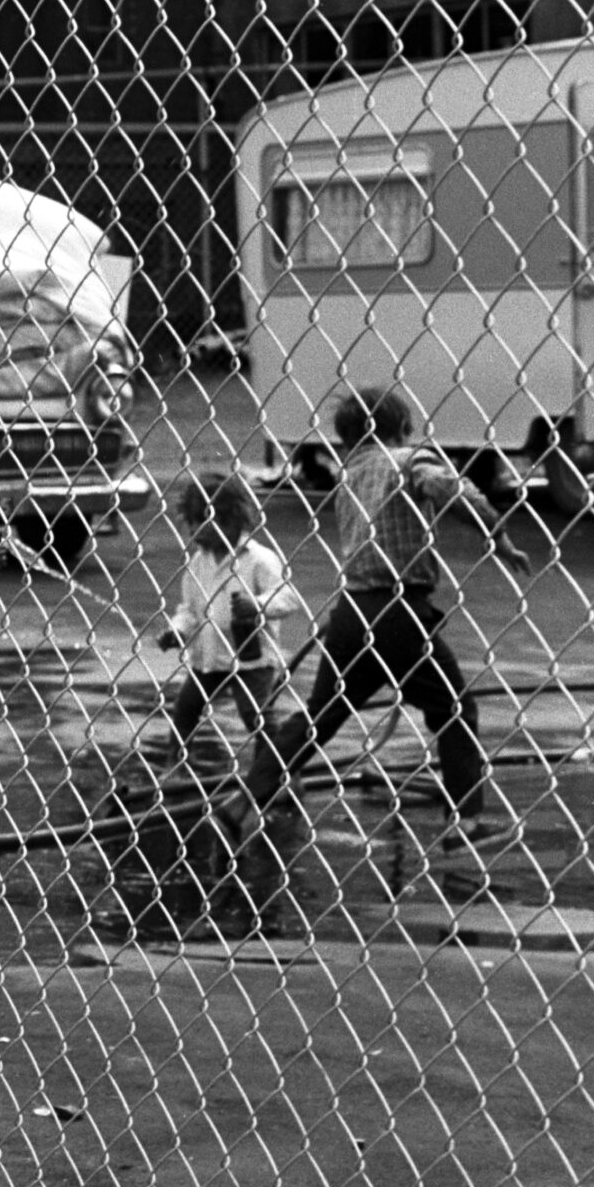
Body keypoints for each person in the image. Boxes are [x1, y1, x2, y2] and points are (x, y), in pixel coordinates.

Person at [235, 385, 529, 931]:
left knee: (321, 715)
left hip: (351, 612)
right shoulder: (407, 459)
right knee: (455, 708)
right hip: (398, 610)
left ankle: (248, 795)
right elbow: (452, 488)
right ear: (401, 427)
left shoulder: (349, 472)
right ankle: (466, 819)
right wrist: (500, 533)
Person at [157, 473, 303, 766]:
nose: (195, 530)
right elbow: (188, 609)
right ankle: (179, 762)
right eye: (192, 522)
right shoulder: (197, 563)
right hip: (209, 657)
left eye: (205, 520)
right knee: (185, 708)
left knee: (255, 715)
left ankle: (278, 770)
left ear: (233, 519)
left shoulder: (259, 559)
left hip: (251, 659)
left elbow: (289, 598)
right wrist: (177, 630)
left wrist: (259, 605)